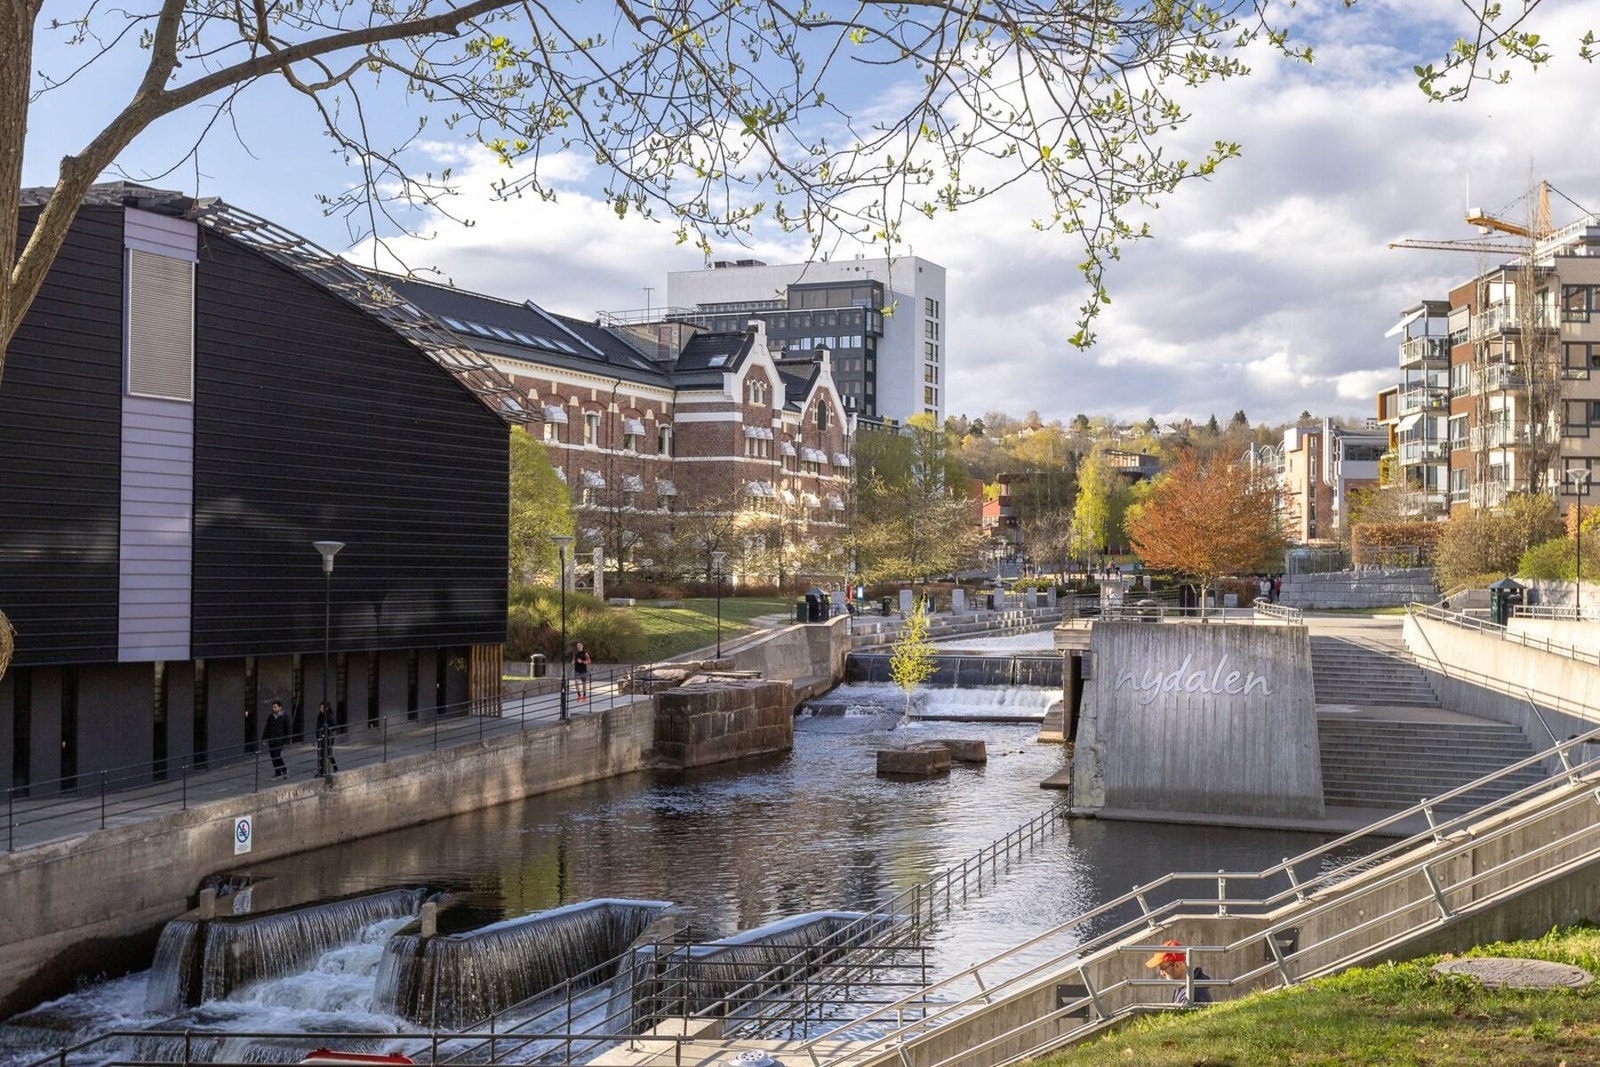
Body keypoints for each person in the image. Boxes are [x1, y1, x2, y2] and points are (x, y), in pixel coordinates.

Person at [1146, 939, 1212, 1005]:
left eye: (1162, 968)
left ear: (1177, 965)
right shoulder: (1182, 987)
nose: (1161, 973)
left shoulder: (1194, 993)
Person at [262, 700, 291, 779]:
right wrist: (264, 737)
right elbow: (267, 727)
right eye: (273, 707)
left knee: (277, 755)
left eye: (275, 707)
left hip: (280, 739)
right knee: (272, 756)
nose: (274, 709)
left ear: (279, 707)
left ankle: (284, 769)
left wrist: (287, 739)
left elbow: (288, 729)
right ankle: (277, 771)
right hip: (272, 739)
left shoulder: (284, 717)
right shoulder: (271, 717)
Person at [314, 701, 339, 776]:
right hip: (321, 737)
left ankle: (335, 767)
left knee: (328, 754)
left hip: (328, 738)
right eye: (320, 707)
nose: (321, 709)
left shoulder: (329, 716)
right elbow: (318, 726)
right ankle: (321, 771)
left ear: (326, 708)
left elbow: (334, 726)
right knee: (320, 754)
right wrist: (318, 736)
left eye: (322, 707)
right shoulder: (320, 715)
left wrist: (327, 730)